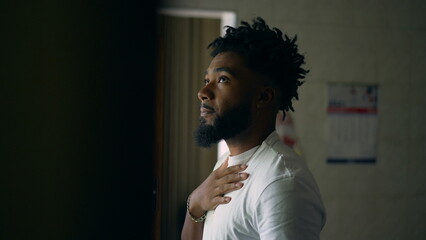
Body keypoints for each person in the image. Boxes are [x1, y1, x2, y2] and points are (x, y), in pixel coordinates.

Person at [181, 17, 326, 240]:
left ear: (263, 96)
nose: (203, 92)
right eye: (206, 79)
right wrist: (195, 204)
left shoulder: (282, 182)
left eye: (222, 79)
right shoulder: (226, 164)